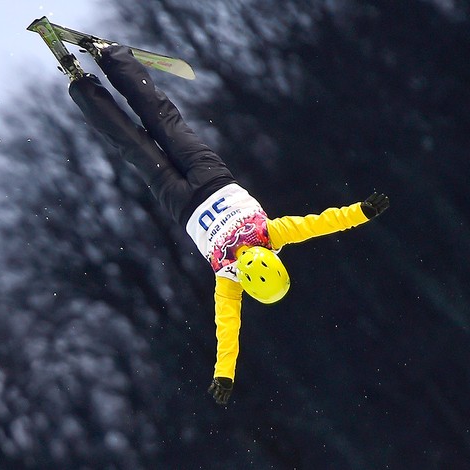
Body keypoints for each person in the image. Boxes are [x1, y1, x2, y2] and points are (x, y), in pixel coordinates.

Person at [57, 41, 389, 405]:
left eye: (248, 263)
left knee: (135, 143)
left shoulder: (228, 284)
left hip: (182, 200)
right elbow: (320, 223)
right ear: (272, 257)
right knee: (161, 121)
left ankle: (82, 84)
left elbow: (228, 329)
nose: (249, 253)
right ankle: (111, 57)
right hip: (209, 177)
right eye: (259, 256)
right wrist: (361, 212)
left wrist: (224, 373)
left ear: (246, 278)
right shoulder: (273, 234)